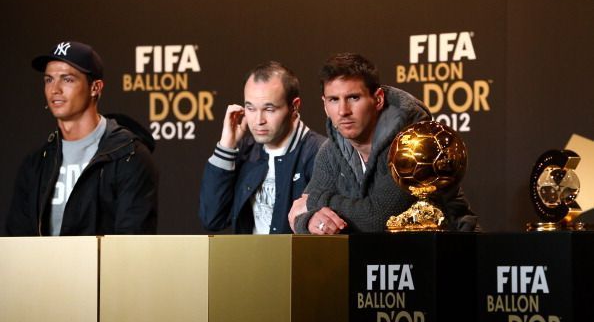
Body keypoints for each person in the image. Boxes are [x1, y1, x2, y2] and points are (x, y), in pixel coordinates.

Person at [289, 53, 478, 234]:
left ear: (378, 99)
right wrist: (311, 220)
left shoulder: (411, 144)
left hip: (449, 253)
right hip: (381, 261)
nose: (343, 111)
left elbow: (379, 220)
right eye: (333, 100)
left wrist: (314, 201)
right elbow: (296, 215)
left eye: (354, 98)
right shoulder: (330, 151)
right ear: (324, 105)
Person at [4, 41, 158, 236]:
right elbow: (18, 243)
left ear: (95, 87)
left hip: (103, 267)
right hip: (44, 268)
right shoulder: (36, 163)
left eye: (67, 79)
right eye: (49, 79)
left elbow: (132, 245)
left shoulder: (129, 156)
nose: (55, 89)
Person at [199, 61, 325, 234]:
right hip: (250, 260)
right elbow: (212, 219)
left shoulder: (321, 153)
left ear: (294, 106)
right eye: (250, 108)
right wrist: (226, 147)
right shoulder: (245, 150)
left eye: (269, 109)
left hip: (296, 261)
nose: (258, 120)